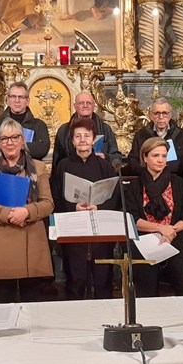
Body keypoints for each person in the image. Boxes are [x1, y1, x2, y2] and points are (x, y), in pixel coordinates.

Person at [0, 118, 55, 303]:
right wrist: (8, 215)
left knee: (32, 302)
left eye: (14, 137)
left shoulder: (38, 167)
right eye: (4, 138)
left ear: (22, 140)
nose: (9, 143)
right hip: (1, 241)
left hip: (31, 240)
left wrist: (26, 212)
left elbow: (48, 203)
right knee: (4, 301)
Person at [50, 116, 119, 299]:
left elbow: (115, 197)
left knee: (103, 277)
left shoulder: (105, 167)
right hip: (74, 227)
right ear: (72, 141)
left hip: (100, 229)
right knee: (76, 277)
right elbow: (55, 196)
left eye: (87, 136)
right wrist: (74, 207)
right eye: (78, 136)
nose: (82, 140)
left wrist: (99, 207)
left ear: (93, 140)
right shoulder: (63, 166)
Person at [125, 137, 183, 297]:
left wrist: (170, 231)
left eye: (164, 156)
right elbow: (131, 218)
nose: (160, 160)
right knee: (146, 295)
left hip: (173, 242)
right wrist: (160, 229)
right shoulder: (135, 186)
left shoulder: (177, 183)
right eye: (155, 155)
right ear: (145, 157)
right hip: (145, 246)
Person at [126, 98, 183, 179]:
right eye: (157, 113)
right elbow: (133, 162)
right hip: (148, 181)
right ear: (151, 115)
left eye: (165, 113)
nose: (161, 117)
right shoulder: (140, 135)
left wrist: (167, 167)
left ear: (170, 115)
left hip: (176, 181)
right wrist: (151, 169)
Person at [51, 90, 121, 168]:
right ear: (75, 106)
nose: (85, 106)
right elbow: (57, 163)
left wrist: (105, 157)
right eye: (81, 103)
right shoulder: (63, 131)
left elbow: (117, 157)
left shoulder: (105, 129)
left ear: (94, 106)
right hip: (71, 171)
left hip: (100, 171)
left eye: (88, 103)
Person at [0, 82, 51, 160]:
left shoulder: (39, 125)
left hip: (31, 166)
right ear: (7, 100)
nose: (17, 100)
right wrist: (25, 146)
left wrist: (11, 146)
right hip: (3, 167)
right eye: (13, 96)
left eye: (21, 97)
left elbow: (42, 149)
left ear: (27, 101)